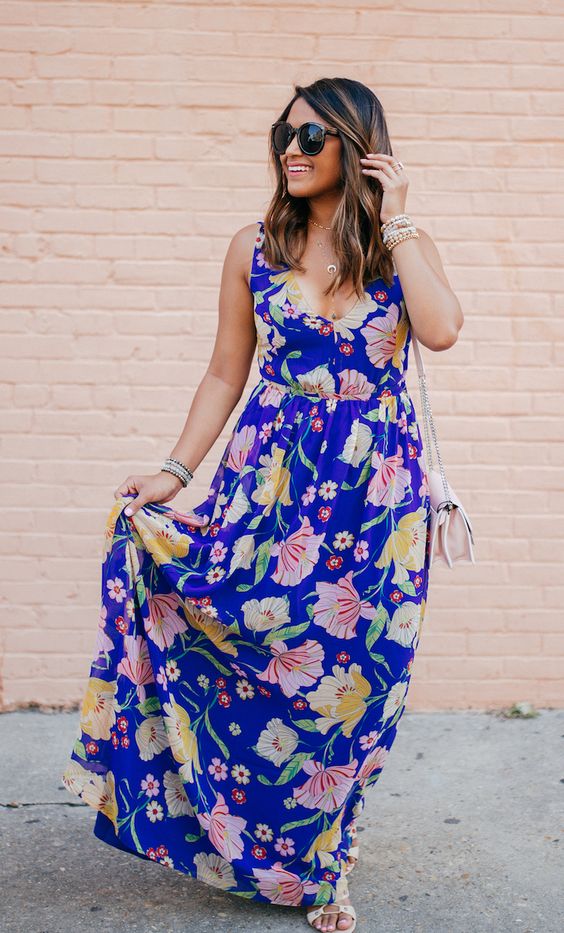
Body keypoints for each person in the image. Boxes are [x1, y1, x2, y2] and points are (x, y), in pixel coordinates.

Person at [62, 76, 463, 932]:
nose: (292, 148)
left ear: (356, 147)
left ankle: (326, 861)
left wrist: (398, 217)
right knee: (256, 653)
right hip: (268, 492)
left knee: (360, 680)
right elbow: (224, 370)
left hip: (374, 503)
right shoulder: (255, 245)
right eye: (285, 134)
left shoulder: (400, 243)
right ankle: (254, 839)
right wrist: (174, 470)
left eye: (313, 136)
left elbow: (441, 329)